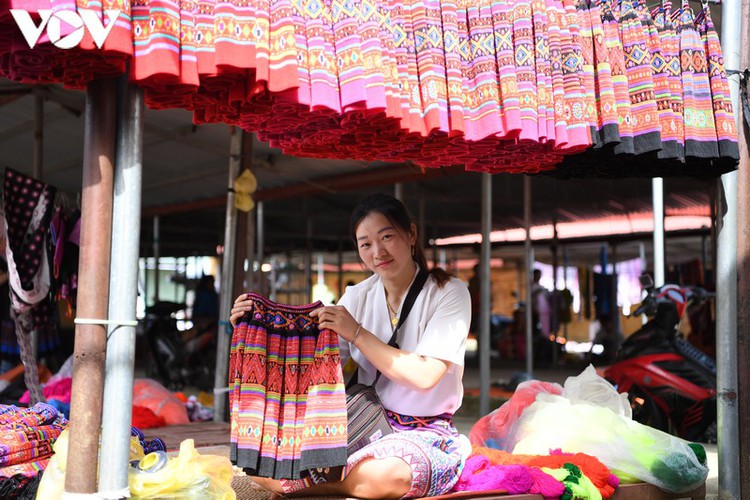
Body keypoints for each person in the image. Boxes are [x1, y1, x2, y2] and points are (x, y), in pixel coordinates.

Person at [230, 193, 472, 499]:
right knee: (282, 442)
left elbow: (425, 375)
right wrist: (253, 329)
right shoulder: (357, 296)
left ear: (411, 234)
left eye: (387, 237)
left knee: (393, 475)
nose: (378, 252)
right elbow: (307, 364)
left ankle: (299, 483)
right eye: (366, 243)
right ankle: (316, 477)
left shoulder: (449, 292)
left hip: (424, 433)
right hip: (359, 424)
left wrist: (356, 333)